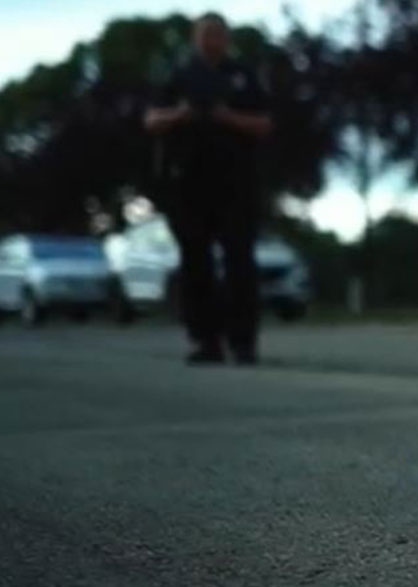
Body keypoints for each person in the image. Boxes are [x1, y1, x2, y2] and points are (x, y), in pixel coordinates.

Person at [144, 13, 273, 365]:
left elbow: (264, 125)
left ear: (227, 38)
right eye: (205, 35)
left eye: (218, 34)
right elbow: (151, 121)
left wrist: (228, 117)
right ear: (194, 38)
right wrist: (180, 115)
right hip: (189, 182)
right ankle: (205, 341)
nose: (212, 41)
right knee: (195, 262)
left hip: (236, 183)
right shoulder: (178, 75)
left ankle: (243, 342)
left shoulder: (244, 75)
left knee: (239, 262)